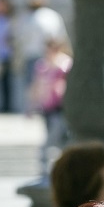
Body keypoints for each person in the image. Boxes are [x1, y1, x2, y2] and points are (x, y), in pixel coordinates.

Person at [28, 37, 72, 173]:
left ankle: (46, 166)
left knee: (53, 138)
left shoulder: (65, 64)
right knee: (60, 140)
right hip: (47, 106)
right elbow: (36, 85)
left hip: (61, 107)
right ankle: (64, 167)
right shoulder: (42, 66)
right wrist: (31, 106)